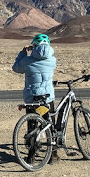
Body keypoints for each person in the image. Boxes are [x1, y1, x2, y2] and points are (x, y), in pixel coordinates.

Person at [12, 33, 59, 162]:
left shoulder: (27, 61)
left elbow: (16, 68)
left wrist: (23, 53)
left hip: (32, 97)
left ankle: (31, 156)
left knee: (32, 125)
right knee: (50, 124)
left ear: (34, 45)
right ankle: (53, 155)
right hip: (47, 98)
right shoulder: (52, 60)